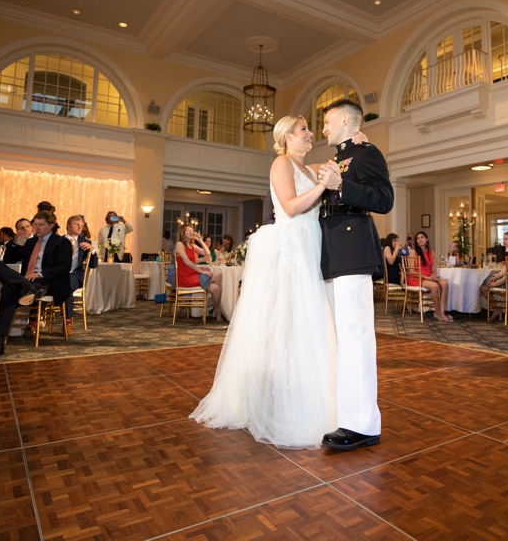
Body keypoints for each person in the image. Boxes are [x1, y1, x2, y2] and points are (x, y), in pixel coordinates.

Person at [192, 115, 344, 450]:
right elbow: (289, 208)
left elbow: (338, 163)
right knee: (284, 323)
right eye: (304, 129)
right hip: (293, 249)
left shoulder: (308, 167)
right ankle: (276, 402)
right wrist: (323, 187)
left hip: (310, 248)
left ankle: (306, 394)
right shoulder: (282, 163)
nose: (311, 134)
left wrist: (355, 142)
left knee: (308, 323)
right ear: (288, 135)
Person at [316, 98, 393, 451]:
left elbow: (383, 199)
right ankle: (348, 415)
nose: (324, 129)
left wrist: (342, 186)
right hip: (336, 253)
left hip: (354, 251)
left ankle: (361, 424)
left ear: (347, 120)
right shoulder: (341, 157)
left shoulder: (367, 153)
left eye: (328, 121)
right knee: (343, 339)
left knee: (356, 339)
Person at [0, 211, 73, 361]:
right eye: (35, 224)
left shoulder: (61, 242)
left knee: (7, 291)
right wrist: (15, 243)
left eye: (41, 225)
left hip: (48, 281)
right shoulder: (30, 242)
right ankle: (27, 286)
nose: (37, 228)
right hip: (29, 282)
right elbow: (9, 259)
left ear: (51, 225)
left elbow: (64, 268)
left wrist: (40, 274)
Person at [402, 231, 454, 321]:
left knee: (445, 284)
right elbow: (412, 271)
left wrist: (433, 275)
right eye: (418, 238)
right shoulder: (413, 252)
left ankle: (442, 313)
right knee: (435, 286)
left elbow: (433, 269)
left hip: (428, 277)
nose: (420, 239)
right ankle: (438, 313)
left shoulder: (431, 252)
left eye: (422, 237)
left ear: (427, 239)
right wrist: (427, 278)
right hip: (415, 278)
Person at [175, 223, 222, 319]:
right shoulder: (179, 244)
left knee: (215, 288)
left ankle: (217, 309)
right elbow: (187, 262)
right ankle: (214, 307)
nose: (191, 232)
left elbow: (207, 253)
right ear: (182, 233)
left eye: (192, 230)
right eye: (188, 230)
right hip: (185, 277)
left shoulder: (192, 245)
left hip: (193, 274)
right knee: (217, 276)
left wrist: (200, 240)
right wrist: (202, 271)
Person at [65, 215, 98, 291]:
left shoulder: (85, 242)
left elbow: (93, 265)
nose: (79, 227)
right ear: (68, 225)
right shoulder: (58, 241)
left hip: (75, 275)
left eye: (81, 226)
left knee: (66, 283)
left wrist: (92, 250)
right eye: (76, 224)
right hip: (58, 275)